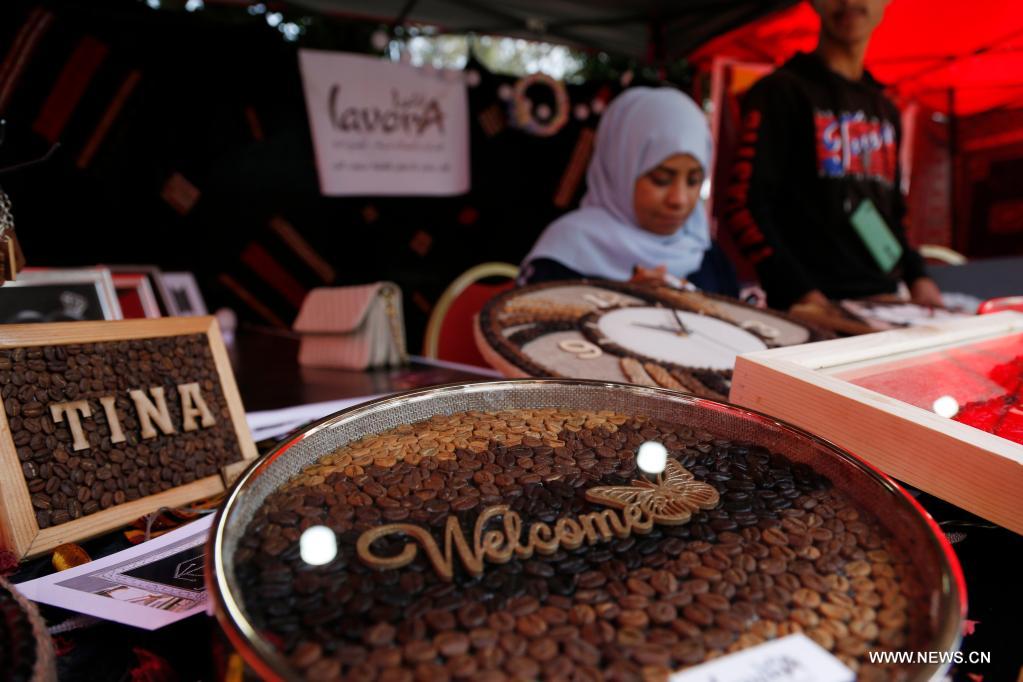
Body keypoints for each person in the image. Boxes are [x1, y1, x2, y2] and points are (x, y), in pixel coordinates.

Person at [724, 0, 943, 311]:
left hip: (884, 303)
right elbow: (743, 205)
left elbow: (894, 213)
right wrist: (799, 292)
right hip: (808, 312)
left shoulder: (885, 109)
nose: (850, 1)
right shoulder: (780, 91)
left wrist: (918, 276)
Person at [520, 87, 738, 296]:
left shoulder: (706, 254)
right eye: (661, 179)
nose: (679, 199)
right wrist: (622, 306)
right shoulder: (563, 252)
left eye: (694, 181)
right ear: (620, 169)